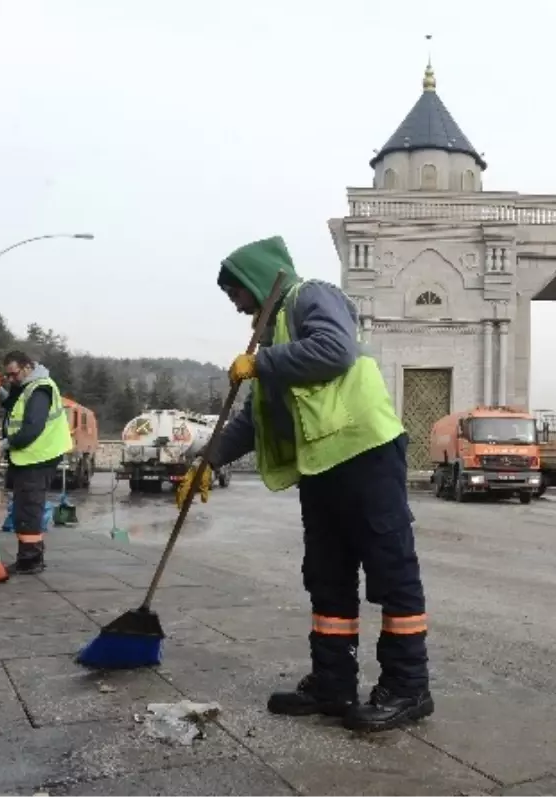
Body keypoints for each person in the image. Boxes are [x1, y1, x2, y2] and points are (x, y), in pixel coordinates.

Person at [178, 235, 432, 733]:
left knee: (390, 569)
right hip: (319, 465)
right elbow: (251, 421)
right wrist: (207, 463)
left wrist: (263, 363)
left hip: (365, 451)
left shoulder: (312, 296)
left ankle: (408, 687)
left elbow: (336, 351)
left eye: (235, 292)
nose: (234, 304)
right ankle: (333, 684)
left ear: (255, 281)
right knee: (327, 575)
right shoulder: (270, 342)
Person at [0, 351, 72, 574]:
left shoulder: (41, 389)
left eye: (13, 374)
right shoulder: (25, 386)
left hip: (39, 457)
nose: (11, 379)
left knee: (30, 509)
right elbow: (12, 405)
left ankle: (31, 560)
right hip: (26, 457)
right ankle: (27, 557)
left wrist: (1, 445)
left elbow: (31, 428)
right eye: (8, 376)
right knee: (22, 509)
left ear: (27, 367)